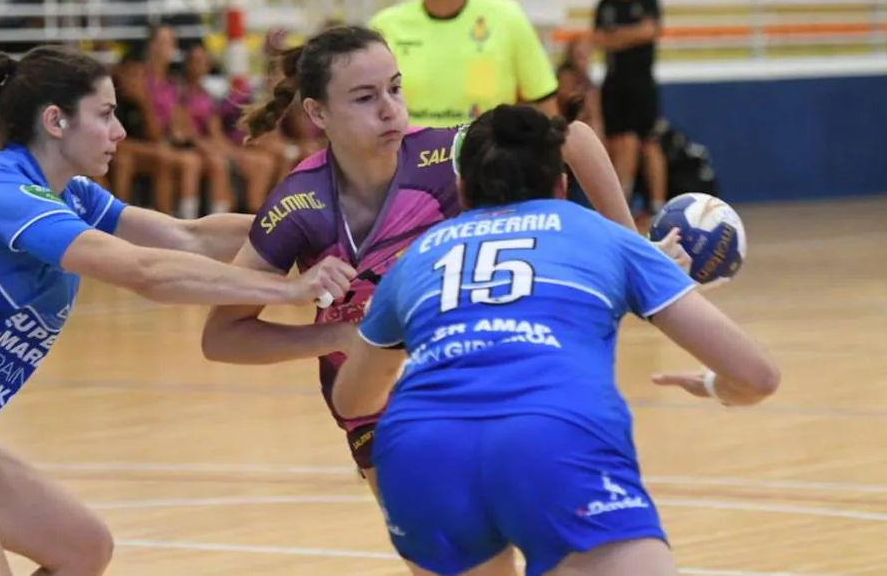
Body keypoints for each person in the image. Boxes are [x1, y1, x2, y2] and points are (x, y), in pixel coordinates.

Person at [0, 45, 356, 576]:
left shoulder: (73, 193)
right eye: (107, 114)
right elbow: (145, 272)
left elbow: (183, 237)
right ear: (55, 121)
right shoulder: (4, 193)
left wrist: (310, 232)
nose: (120, 131)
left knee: (83, 549)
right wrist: (289, 291)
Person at [201, 25, 674, 576]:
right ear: (317, 113)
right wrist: (332, 335)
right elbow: (222, 335)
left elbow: (574, 139)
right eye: (364, 97)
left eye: (395, 89)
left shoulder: (448, 153)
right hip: (375, 409)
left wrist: (631, 249)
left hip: (480, 381)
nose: (389, 109)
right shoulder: (297, 206)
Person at [331, 105, 780, 576]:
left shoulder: (418, 255)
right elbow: (757, 376)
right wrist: (714, 386)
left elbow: (353, 398)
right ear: (561, 187)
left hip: (421, 450)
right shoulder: (605, 238)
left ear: (462, 192)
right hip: (552, 436)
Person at [369, 0, 559, 128]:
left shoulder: (507, 17)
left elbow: (545, 103)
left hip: (486, 156)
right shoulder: (384, 26)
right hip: (408, 157)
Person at [592, 0, 666, 221]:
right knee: (620, 143)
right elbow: (599, 39)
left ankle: (658, 204)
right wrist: (633, 34)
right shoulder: (606, 4)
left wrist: (619, 36)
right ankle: (622, 204)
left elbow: (651, 31)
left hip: (642, 83)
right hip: (614, 83)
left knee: (650, 142)